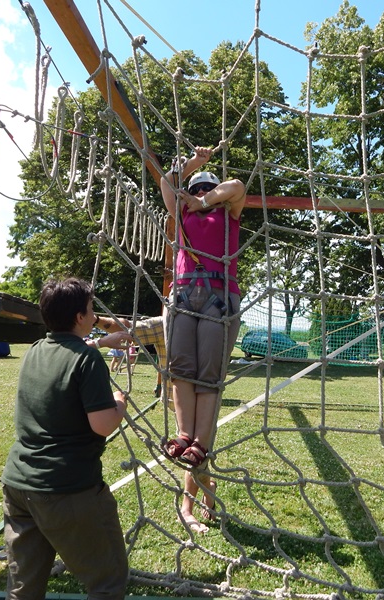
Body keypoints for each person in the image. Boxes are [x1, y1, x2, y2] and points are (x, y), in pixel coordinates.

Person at [0, 277, 133, 600]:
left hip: (18, 485)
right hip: (66, 488)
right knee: (107, 582)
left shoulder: (35, 350)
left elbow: (68, 354)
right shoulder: (88, 361)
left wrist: (101, 342)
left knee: (24, 588)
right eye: (91, 309)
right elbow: (102, 425)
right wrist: (119, 403)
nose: (94, 315)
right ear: (79, 316)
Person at [159, 145, 246, 532]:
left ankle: (201, 443)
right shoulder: (181, 212)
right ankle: (185, 436)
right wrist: (193, 165)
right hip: (183, 295)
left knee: (209, 376)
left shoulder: (228, 215)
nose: (199, 193)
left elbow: (237, 186)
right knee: (181, 371)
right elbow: (167, 183)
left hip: (218, 296)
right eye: (195, 189)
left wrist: (205, 200)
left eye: (206, 188)